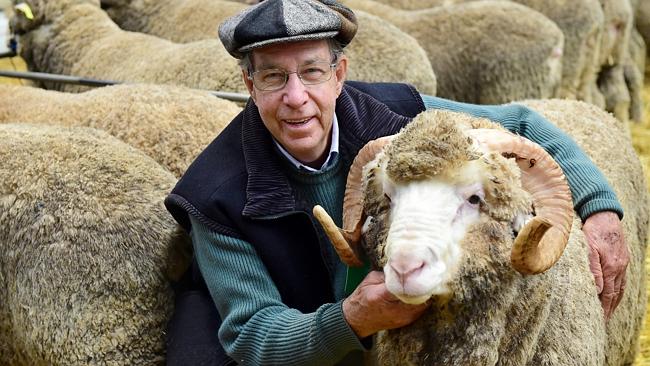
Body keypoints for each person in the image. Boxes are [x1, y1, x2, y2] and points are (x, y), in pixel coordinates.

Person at [164, 0, 629, 364]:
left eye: (311, 71)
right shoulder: (216, 193)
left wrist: (599, 207)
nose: (296, 97)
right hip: (291, 342)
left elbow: (521, 125)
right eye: (272, 77)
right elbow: (255, 335)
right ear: (249, 85)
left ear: (339, 74)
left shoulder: (398, 116)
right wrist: (350, 320)